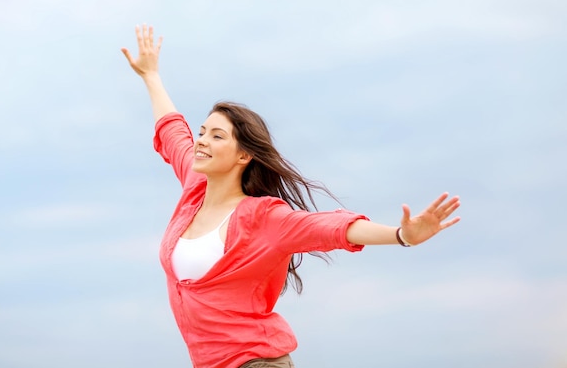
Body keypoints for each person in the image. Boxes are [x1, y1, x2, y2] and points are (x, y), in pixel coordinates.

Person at [121, 25, 461, 368]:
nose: (202, 141)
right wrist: (151, 76)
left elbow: (332, 228)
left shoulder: (265, 218)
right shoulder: (194, 188)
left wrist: (401, 235)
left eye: (217, 136)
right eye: (202, 132)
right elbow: (171, 130)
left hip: (257, 362)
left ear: (243, 156)